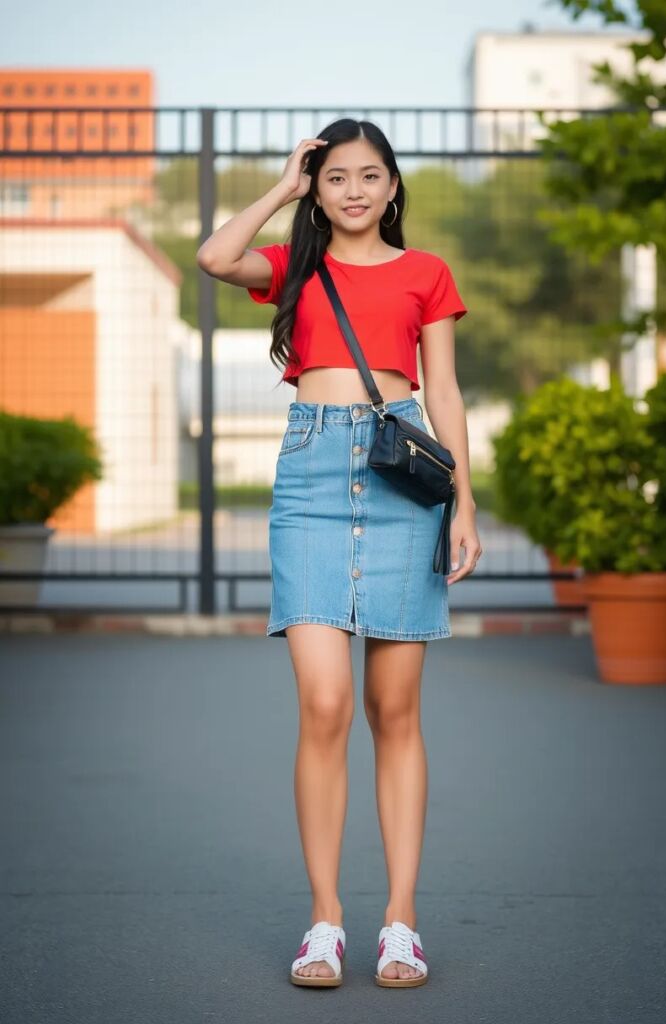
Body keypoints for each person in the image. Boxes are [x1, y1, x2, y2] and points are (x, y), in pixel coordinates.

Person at [197, 118, 482, 989]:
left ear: (393, 186)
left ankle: (400, 921)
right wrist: (281, 188)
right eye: (334, 178)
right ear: (317, 189)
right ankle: (325, 920)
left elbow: (444, 389)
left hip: (402, 473)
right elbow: (214, 257)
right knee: (323, 704)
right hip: (310, 480)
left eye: (369, 175)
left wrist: (464, 498)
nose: (353, 190)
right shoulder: (297, 268)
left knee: (394, 711)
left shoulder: (425, 272)